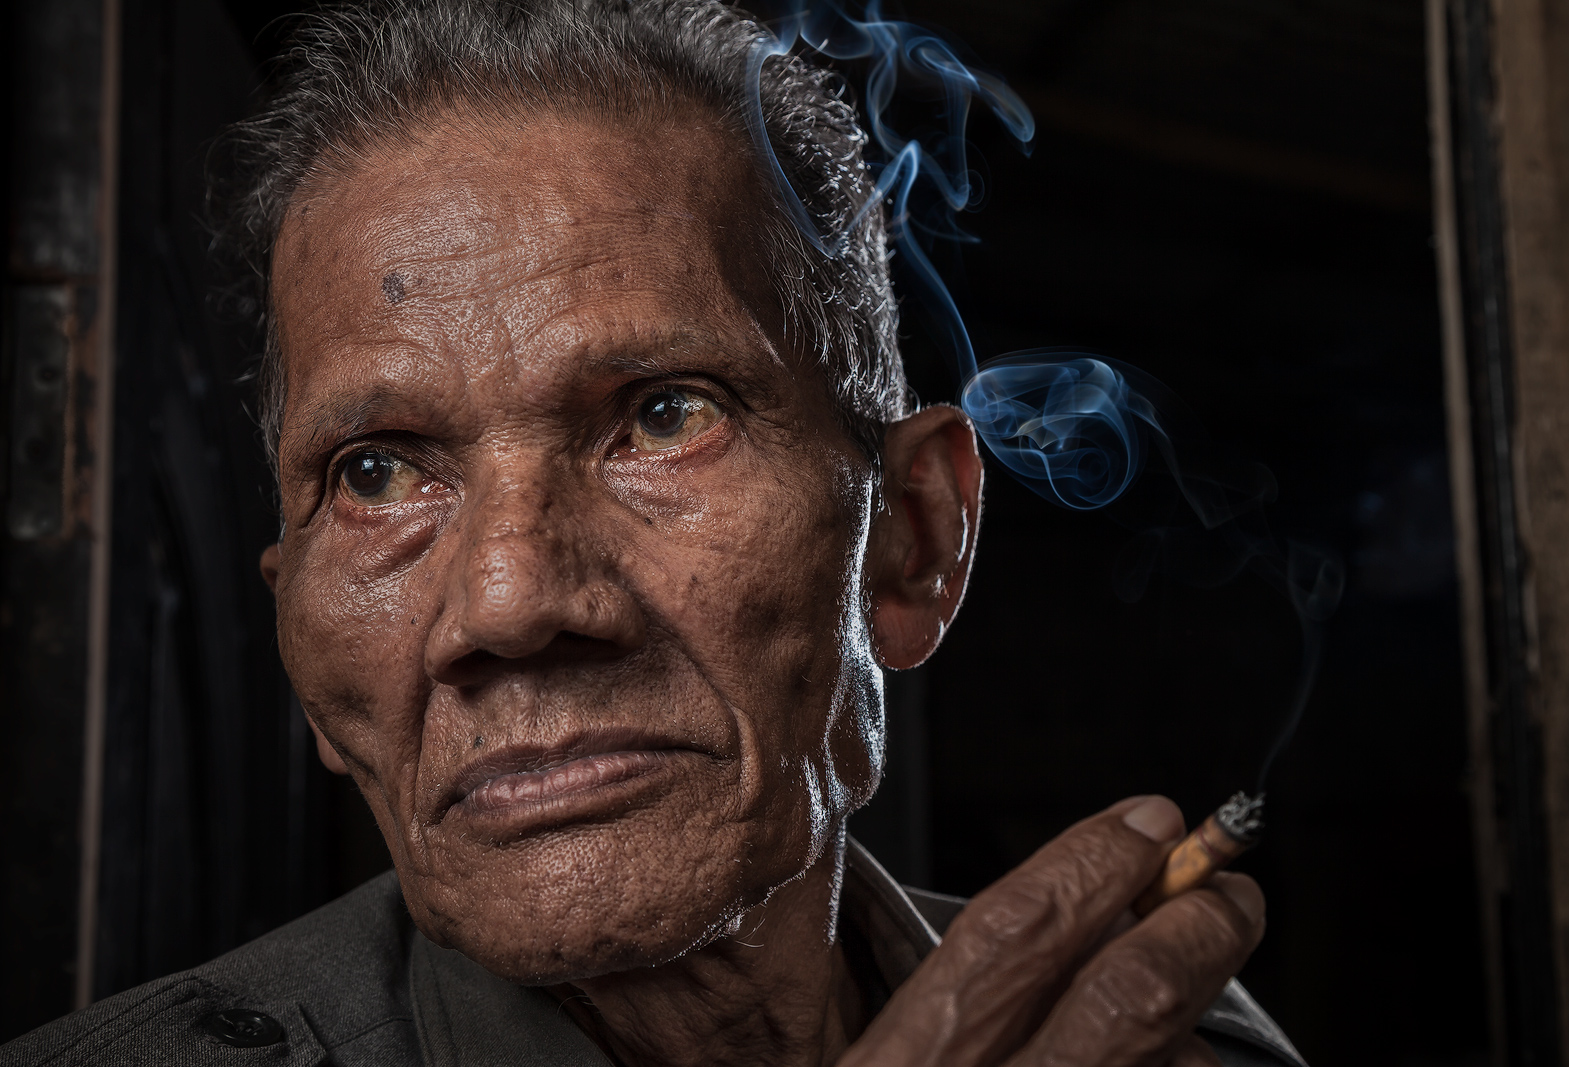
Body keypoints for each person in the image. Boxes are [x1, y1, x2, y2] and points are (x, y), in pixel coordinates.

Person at [7, 2, 1305, 1064]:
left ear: (914, 539)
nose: (510, 603)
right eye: (379, 473)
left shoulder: (1182, 1047)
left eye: (665, 415)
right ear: (305, 656)